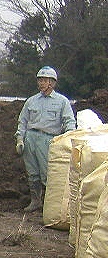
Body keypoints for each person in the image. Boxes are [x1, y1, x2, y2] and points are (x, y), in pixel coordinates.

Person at [14, 65, 75, 212]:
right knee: (32, 173)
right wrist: (20, 139)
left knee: (47, 174)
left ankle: (51, 205)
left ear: (52, 83)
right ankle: (36, 201)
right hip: (31, 139)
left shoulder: (62, 102)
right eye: (40, 80)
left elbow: (69, 121)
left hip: (48, 140)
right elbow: (23, 121)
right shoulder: (31, 101)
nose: (41, 83)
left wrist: (70, 138)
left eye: (44, 80)